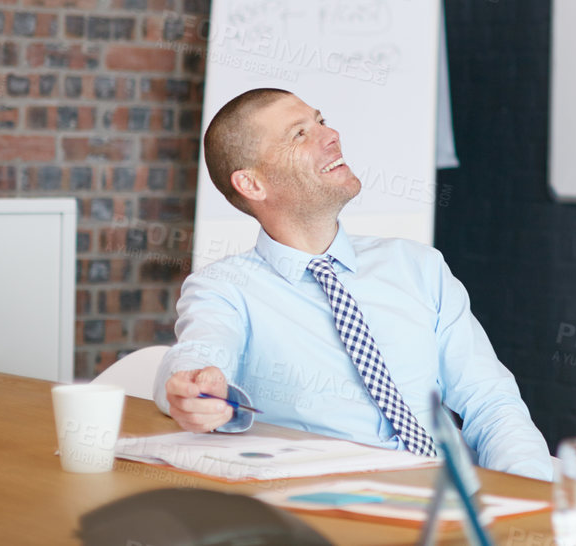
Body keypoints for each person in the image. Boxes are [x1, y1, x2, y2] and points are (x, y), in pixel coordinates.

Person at [152, 87, 553, 479]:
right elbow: (199, 354)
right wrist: (191, 387)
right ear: (253, 184)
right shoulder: (224, 288)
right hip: (334, 508)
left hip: (453, 500)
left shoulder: (418, 266)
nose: (332, 135)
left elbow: (491, 401)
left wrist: (532, 494)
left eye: (321, 120)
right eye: (300, 133)